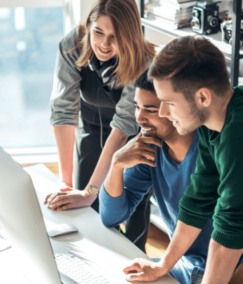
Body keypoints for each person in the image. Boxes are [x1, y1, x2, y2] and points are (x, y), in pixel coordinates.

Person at [122, 36, 243, 284]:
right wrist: (162, 265)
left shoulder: (237, 135)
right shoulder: (214, 123)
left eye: (169, 103)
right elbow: (199, 198)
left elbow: (231, 229)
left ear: (202, 97)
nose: (164, 113)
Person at [48, 0, 155, 251]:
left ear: (129, 37)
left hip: (132, 135)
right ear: (89, 27)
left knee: (128, 201)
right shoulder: (72, 45)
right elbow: (64, 112)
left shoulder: (144, 61)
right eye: (98, 32)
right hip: (92, 127)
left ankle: (133, 256)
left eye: (114, 37)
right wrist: (67, 185)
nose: (104, 45)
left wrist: (91, 191)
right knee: (83, 203)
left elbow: (122, 127)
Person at [100, 69, 220, 284]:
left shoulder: (212, 150)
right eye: (137, 107)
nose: (139, 118)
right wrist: (117, 164)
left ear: (174, 109)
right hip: (183, 266)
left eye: (150, 109)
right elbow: (111, 216)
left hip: (221, 272)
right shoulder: (150, 149)